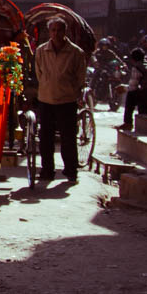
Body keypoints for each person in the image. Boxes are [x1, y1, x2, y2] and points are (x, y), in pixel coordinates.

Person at [33, 18, 88, 186]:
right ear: (49, 32)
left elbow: (80, 76)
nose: (56, 34)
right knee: (45, 137)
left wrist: (72, 90)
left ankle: (71, 171)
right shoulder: (42, 51)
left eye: (59, 30)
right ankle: (47, 170)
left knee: (68, 138)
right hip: (46, 98)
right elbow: (39, 73)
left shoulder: (76, 52)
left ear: (65, 32)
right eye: (53, 30)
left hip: (67, 99)